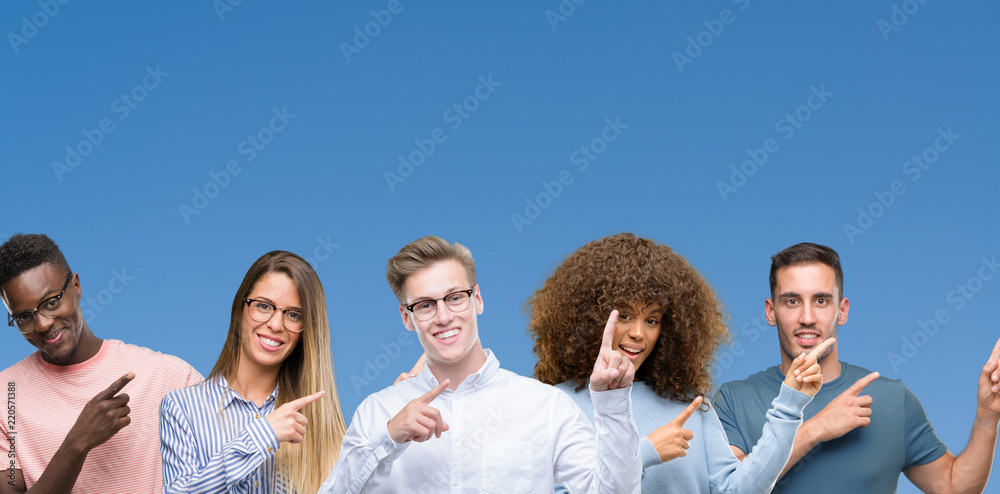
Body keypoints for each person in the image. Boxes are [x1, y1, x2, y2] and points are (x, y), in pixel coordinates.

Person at [320, 236, 641, 493]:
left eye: (455, 297)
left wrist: (612, 403)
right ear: (407, 317)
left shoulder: (547, 407)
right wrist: (387, 439)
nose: (444, 316)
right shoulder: (378, 413)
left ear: (477, 299)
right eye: (425, 304)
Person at [528, 233, 826, 493]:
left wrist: (789, 404)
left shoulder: (689, 405)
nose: (637, 333)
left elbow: (740, 489)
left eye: (652, 320)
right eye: (626, 316)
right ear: (590, 319)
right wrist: (645, 452)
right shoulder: (556, 405)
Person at [714, 242, 1000, 492]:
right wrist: (814, 430)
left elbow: (953, 487)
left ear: (842, 310)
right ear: (770, 311)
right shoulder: (735, 401)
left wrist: (987, 416)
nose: (807, 317)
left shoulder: (891, 400)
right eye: (792, 301)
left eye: (821, 300)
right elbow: (731, 489)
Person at [0, 233, 203, 493]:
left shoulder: (168, 376)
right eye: (23, 318)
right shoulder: (7, 397)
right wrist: (76, 444)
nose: (42, 324)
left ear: (76, 287)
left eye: (51, 302)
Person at [160, 251, 347, 493]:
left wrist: (383, 428)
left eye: (293, 314)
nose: (276, 324)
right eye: (263, 305)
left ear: (306, 330)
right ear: (240, 310)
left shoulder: (321, 421)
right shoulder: (181, 408)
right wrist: (262, 435)